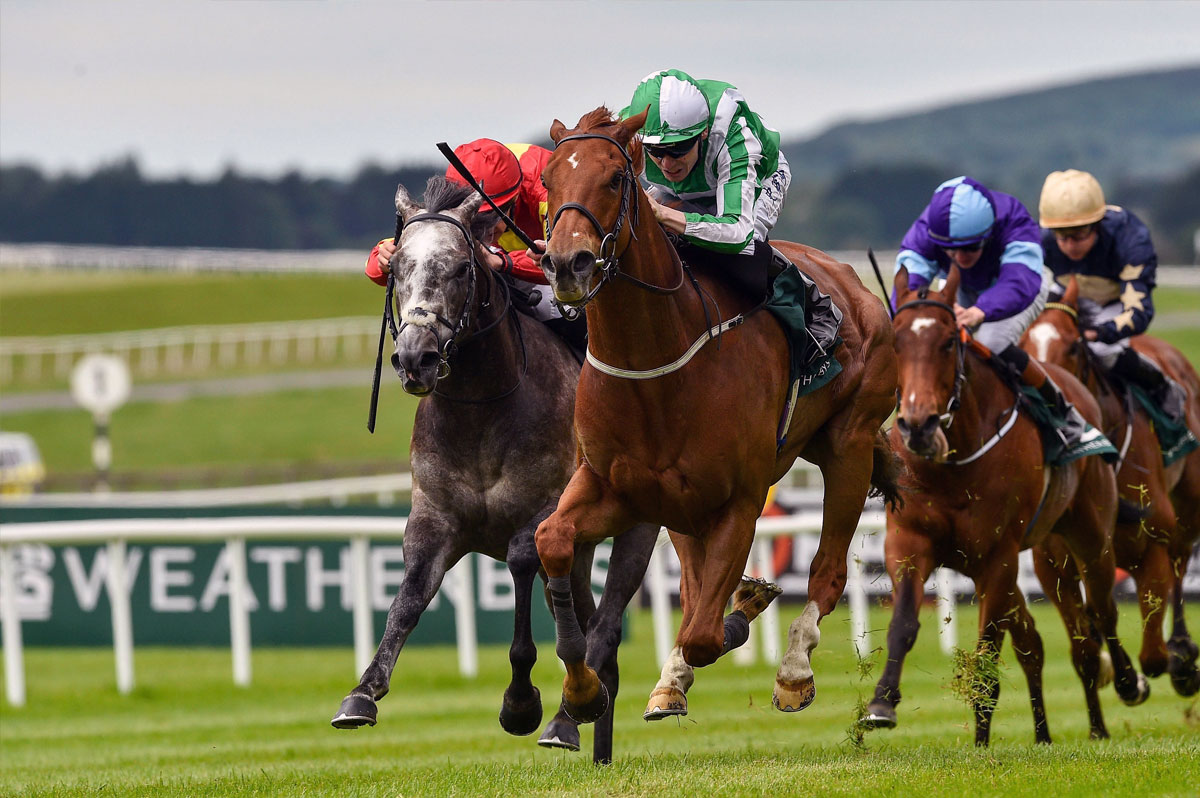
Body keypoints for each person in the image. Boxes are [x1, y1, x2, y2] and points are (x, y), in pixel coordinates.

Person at [895, 175, 1092, 450]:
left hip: (1022, 286)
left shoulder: (1013, 220)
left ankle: (1063, 414)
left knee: (990, 342)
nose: (961, 257)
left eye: (971, 247)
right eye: (951, 250)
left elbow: (1019, 280)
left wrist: (981, 310)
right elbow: (909, 286)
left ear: (989, 233)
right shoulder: (928, 228)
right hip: (961, 286)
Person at [365, 138, 585, 351]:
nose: (486, 231)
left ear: (515, 199)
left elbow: (569, 265)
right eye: (477, 220)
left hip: (570, 264)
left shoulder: (551, 190)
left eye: (491, 218)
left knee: (556, 305)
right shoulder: (456, 196)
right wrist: (383, 260)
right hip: (509, 254)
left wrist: (503, 262)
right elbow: (386, 262)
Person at [619, 68, 792, 301]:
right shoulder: (628, 132)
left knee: (744, 253)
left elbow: (736, 232)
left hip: (757, 177)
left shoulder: (734, 137)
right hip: (678, 187)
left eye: (678, 148)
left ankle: (808, 295)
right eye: (655, 151)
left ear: (704, 132)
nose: (667, 163)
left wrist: (664, 214)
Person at [1039, 168, 1187, 423]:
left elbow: (1139, 312)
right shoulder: (1040, 239)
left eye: (1079, 235)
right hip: (1066, 292)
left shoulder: (1130, 240)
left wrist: (1099, 332)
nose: (1069, 245)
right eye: (1061, 236)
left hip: (1115, 297)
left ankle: (1161, 385)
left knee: (1102, 350)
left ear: (1097, 225)